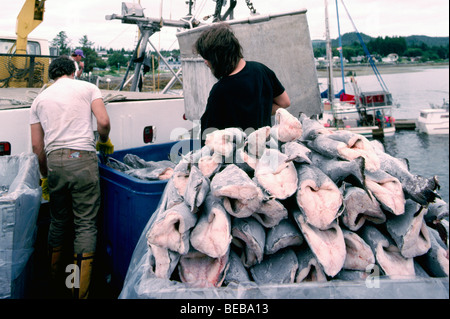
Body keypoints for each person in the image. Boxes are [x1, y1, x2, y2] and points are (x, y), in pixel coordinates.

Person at [30, 55, 114, 299]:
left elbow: (37, 147)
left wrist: (45, 176)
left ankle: (57, 285)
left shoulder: (39, 99)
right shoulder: (88, 87)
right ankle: (79, 291)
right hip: (83, 159)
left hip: (55, 161)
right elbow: (103, 121)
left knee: (58, 222)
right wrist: (103, 140)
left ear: (52, 75)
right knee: (85, 225)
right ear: (74, 71)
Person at [193, 23, 291, 143]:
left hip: (239, 158)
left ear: (218, 57)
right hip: (266, 150)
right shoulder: (262, 70)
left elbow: (208, 138)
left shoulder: (220, 90)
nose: (205, 62)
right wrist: (259, 108)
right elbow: (285, 102)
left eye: (207, 57)